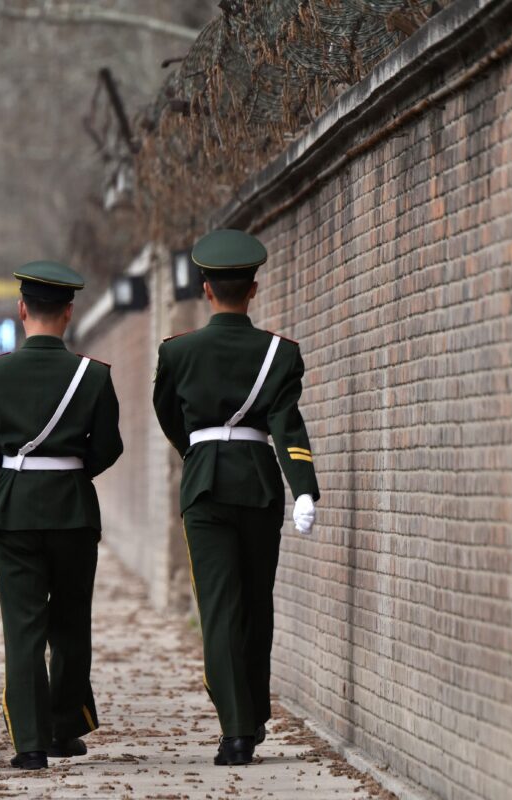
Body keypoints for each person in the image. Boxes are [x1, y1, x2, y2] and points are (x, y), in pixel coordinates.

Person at [152, 229, 319, 766]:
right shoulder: (280, 354)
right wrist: (304, 491)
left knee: (220, 608)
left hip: (203, 486)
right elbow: (287, 426)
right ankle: (251, 714)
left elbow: (168, 415)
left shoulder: (177, 352)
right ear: (253, 290)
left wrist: (197, 452)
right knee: (254, 604)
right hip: (258, 485)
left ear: (205, 289)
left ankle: (236, 730)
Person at [0, 260, 123, 770]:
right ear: (69, 313)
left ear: (21, 309)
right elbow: (109, 447)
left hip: (15, 511)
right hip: (73, 510)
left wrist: (11, 473)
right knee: (71, 622)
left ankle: (29, 744)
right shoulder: (93, 376)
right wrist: (71, 473)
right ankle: (63, 728)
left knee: (23, 627)